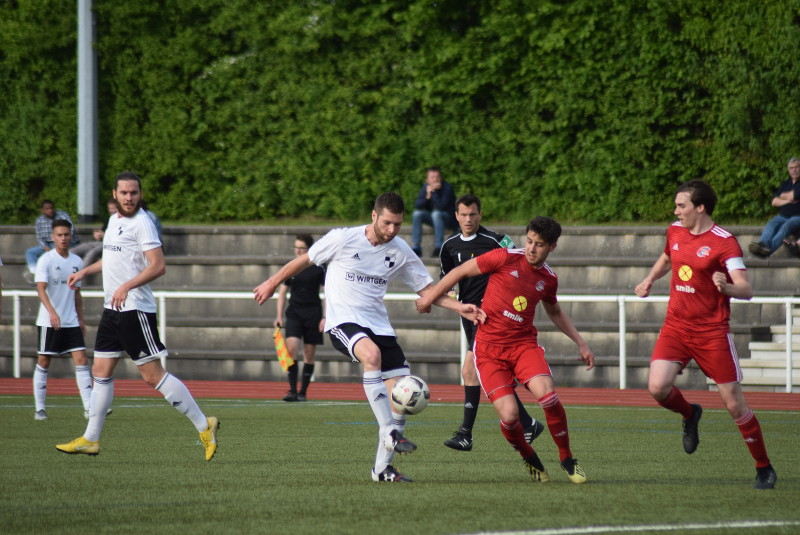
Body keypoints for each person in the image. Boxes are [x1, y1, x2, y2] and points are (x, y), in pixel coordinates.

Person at [254, 192, 484, 483]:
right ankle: (389, 432)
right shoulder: (343, 239)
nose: (392, 230)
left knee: (401, 396)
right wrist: (272, 282)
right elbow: (304, 261)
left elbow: (427, 290)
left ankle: (382, 469)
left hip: (379, 327)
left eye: (398, 224)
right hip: (343, 322)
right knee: (371, 356)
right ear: (374, 216)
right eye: (387, 223)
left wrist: (459, 307)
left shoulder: (399, 249)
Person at [417, 216, 594, 484]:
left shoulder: (548, 279)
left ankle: (567, 458)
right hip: (488, 349)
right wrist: (429, 298)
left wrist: (580, 342)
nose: (532, 249)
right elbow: (459, 272)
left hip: (523, 346)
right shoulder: (504, 257)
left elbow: (554, 310)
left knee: (548, 397)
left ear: (552, 247)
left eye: (539, 245)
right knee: (510, 416)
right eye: (530, 241)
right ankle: (529, 457)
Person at [56, 171, 219, 461]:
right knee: (101, 372)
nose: (129, 198)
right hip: (113, 309)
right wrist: (84, 271)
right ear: (115, 194)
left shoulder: (143, 223)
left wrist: (127, 286)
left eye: (134, 193)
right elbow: (113, 259)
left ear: (140, 194)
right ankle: (91, 439)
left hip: (135, 309)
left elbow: (158, 266)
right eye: (124, 193)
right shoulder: (114, 221)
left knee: (152, 376)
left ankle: (204, 425)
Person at [635, 180, 776, 490]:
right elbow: (668, 258)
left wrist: (727, 287)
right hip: (676, 326)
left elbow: (747, 289)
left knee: (734, 405)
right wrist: (649, 279)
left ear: (700, 207)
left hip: (712, 333)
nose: (676, 211)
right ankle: (690, 414)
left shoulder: (725, 242)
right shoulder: (675, 230)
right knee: (657, 387)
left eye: (681, 205)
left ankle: (764, 467)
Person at [439, 194, 543, 451]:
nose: (468, 219)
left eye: (472, 214)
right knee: (482, 371)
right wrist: (456, 302)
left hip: (492, 317)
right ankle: (528, 423)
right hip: (469, 316)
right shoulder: (448, 246)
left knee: (471, 370)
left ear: (480, 214)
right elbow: (447, 279)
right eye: (463, 214)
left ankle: (466, 433)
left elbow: (523, 262)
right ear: (456, 216)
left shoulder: (496, 241)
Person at [32, 219, 93, 420]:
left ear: (71, 236)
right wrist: (52, 312)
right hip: (49, 321)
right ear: (53, 237)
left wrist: (81, 319)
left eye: (67, 234)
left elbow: (77, 294)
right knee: (44, 360)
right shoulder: (46, 260)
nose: (64, 238)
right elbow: (40, 288)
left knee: (82, 360)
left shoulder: (76, 261)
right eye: (59, 235)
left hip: (71, 321)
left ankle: (89, 407)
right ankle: (40, 408)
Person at [274, 234, 326, 401]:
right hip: (294, 312)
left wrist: (325, 317)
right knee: (291, 350)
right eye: (296, 247)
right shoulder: (291, 267)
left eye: (301, 248)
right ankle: (292, 390)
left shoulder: (319, 267)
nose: (298, 251)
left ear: (309, 249)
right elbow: (282, 292)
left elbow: (326, 294)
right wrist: (279, 316)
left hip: (313, 314)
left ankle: (303, 392)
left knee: (309, 354)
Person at [748, 157, 800, 258]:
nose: (794, 170)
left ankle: (768, 251)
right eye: (791, 168)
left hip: (797, 217)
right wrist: (789, 200)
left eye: (797, 167)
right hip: (782, 216)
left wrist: (784, 196)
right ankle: (763, 245)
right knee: (770, 225)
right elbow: (774, 202)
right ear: (788, 170)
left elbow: (793, 195)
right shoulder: (786, 183)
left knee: (785, 227)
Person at [24, 200, 78, 283]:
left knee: (54, 253)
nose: (50, 211)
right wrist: (45, 246)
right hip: (47, 244)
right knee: (30, 252)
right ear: (42, 210)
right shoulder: (39, 220)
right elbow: (39, 237)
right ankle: (35, 274)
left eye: (52, 208)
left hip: (64, 242)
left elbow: (71, 230)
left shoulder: (63, 215)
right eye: (47, 209)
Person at [411, 166, 456, 257]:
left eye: (437, 177)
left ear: (440, 177)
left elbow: (441, 207)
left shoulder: (447, 188)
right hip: (434, 219)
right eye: (432, 177)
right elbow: (417, 205)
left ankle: (439, 247)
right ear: (427, 180)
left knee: (436, 214)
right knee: (417, 214)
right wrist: (427, 196)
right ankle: (416, 247)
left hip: (449, 219)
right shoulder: (426, 187)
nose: (435, 179)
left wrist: (434, 192)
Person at [71, 199, 117, 267]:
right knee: (75, 250)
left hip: (111, 245)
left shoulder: (123, 221)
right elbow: (102, 232)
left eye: (112, 208)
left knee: (92, 253)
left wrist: (104, 235)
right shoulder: (110, 219)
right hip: (101, 243)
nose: (110, 210)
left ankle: (82, 272)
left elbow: (118, 238)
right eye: (109, 208)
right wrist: (97, 235)